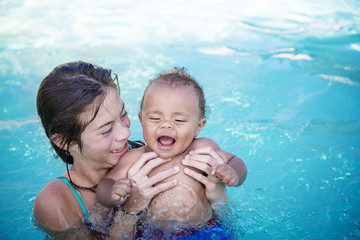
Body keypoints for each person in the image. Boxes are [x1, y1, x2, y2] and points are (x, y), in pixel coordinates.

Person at [33, 61, 182, 239]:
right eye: (106, 130)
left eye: (123, 114)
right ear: (65, 142)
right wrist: (129, 212)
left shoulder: (147, 156)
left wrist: (216, 196)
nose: (126, 132)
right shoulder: (57, 202)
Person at [97, 67, 247, 237]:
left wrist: (232, 171)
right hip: (153, 234)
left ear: (198, 127)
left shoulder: (203, 148)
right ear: (141, 120)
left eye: (179, 120)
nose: (166, 125)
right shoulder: (135, 158)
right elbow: (106, 182)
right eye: (155, 118)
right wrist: (112, 191)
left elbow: (235, 160)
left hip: (206, 229)